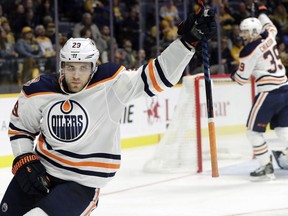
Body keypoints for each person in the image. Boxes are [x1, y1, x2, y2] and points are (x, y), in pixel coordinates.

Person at [0, 8, 216, 216]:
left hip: (82, 185)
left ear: (94, 67)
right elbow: (21, 128)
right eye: (70, 67)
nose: (76, 75)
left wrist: (187, 43)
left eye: (83, 67)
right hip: (42, 171)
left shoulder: (111, 84)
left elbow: (157, 76)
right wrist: (25, 157)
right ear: (61, 66)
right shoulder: (37, 90)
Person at [231, 4, 288, 181]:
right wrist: (263, 12)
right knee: (283, 130)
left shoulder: (248, 51)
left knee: (253, 133)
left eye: (246, 32)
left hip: (269, 93)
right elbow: (270, 25)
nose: (243, 35)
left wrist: (234, 75)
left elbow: (241, 79)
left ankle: (266, 166)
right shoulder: (269, 36)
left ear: (254, 32)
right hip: (285, 88)